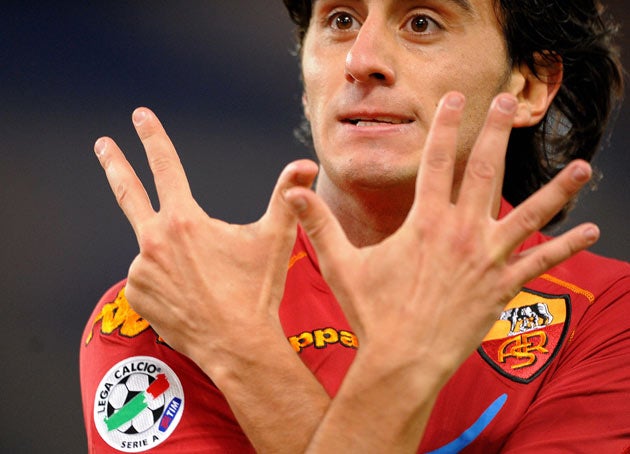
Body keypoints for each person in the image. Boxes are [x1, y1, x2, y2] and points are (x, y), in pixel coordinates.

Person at [80, 0, 629, 452]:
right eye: (340, 20)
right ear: (305, 79)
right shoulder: (166, 306)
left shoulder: (608, 318)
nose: (361, 59)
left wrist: (238, 351)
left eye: (422, 22)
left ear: (530, 87)